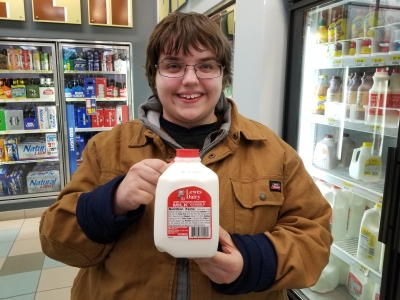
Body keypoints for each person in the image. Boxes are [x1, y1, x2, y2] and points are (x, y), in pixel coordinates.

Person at [39, 12, 332, 300]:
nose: (190, 80)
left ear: (223, 74)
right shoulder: (107, 148)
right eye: (173, 65)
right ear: (154, 75)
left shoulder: (272, 151)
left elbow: (314, 237)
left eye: (205, 66)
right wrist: (111, 201)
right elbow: (56, 241)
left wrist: (251, 263)